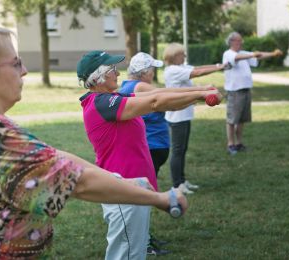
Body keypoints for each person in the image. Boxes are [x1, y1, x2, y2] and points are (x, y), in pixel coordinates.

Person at [0, 25, 188, 259]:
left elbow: (54, 157)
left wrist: (119, 179)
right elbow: (79, 183)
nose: (25, 70)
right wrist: (160, 198)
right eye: (16, 62)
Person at [77, 50, 222, 259]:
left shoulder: (112, 98)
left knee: (135, 253)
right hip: (122, 189)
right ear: (97, 77)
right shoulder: (101, 103)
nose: (118, 73)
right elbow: (155, 103)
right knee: (125, 255)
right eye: (112, 70)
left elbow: (158, 95)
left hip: (134, 187)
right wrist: (199, 95)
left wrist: (201, 90)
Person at [163, 43, 226, 194]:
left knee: (182, 150)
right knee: (178, 151)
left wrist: (218, 65)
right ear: (173, 56)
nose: (184, 56)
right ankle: (177, 185)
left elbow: (198, 67)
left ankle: (182, 181)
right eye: (182, 54)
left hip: (183, 115)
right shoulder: (173, 70)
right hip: (177, 117)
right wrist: (219, 68)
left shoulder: (180, 67)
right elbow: (198, 72)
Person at [222, 32, 283, 155]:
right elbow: (237, 58)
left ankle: (239, 144)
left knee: (242, 119)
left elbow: (259, 55)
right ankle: (230, 144)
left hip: (246, 90)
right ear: (232, 42)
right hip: (235, 92)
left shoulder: (244, 53)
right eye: (239, 41)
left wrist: (273, 54)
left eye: (241, 40)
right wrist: (251, 55)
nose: (241, 43)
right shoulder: (228, 54)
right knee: (232, 119)